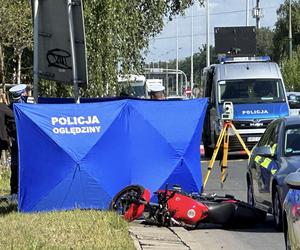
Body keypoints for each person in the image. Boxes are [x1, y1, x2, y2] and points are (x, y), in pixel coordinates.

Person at [7, 84, 29, 195]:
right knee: (20, 164)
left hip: (14, 140)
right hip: (22, 140)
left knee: (15, 165)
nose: (27, 93)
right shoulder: (23, 107)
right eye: (25, 92)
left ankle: (14, 190)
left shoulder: (10, 106)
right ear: (22, 94)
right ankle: (21, 189)